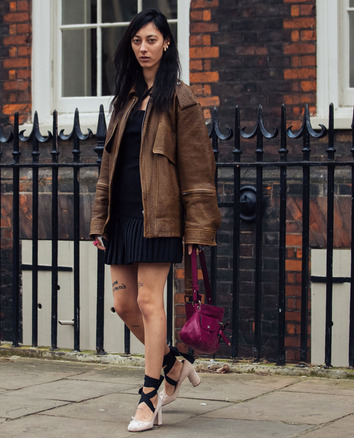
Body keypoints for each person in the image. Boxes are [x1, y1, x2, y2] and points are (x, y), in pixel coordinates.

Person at [89, 8, 221, 432]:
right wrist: (99, 221)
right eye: (136, 41)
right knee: (124, 305)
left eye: (151, 40)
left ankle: (149, 397)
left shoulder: (180, 98)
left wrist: (197, 230)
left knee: (149, 302)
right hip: (122, 218)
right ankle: (174, 364)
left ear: (166, 44)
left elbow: (199, 171)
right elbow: (110, 164)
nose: (143, 48)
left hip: (159, 219)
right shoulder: (126, 98)